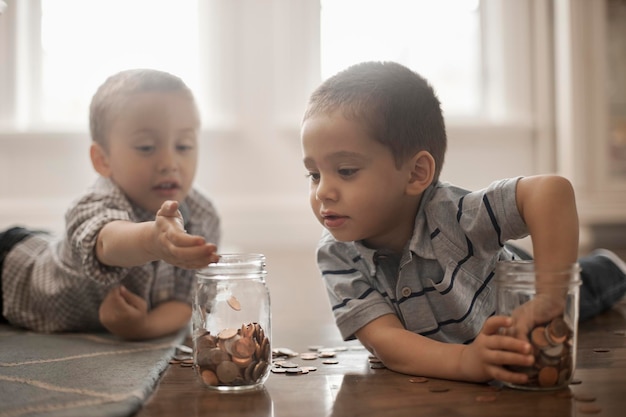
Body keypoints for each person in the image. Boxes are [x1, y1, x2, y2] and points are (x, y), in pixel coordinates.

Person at [300, 61, 626, 384]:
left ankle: (607, 266)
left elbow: (552, 192)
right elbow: (386, 342)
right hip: (466, 292)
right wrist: (466, 361)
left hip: (504, 280)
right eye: (314, 175)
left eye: (346, 171)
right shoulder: (337, 254)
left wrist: (549, 297)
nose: (323, 191)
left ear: (415, 174)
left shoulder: (458, 215)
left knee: (583, 291)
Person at [0, 69, 221, 341]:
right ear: (103, 159)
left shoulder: (202, 216)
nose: (169, 162)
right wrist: (154, 240)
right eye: (146, 147)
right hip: (14, 275)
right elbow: (107, 243)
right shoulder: (98, 200)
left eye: (184, 146)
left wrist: (144, 327)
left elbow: (186, 300)